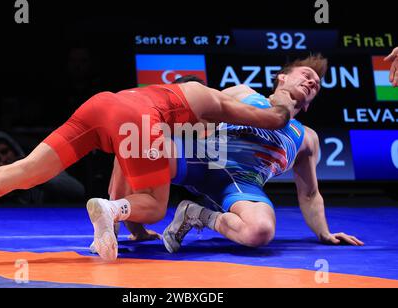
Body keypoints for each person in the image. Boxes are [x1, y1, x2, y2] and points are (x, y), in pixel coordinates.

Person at [0, 79, 296, 261]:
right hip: (137, 120)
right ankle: (111, 212)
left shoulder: (171, 94)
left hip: (101, 106)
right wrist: (285, 104)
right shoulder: (210, 100)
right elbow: (271, 118)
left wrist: (117, 226)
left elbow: (122, 170)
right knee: (156, 206)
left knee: (28, 169)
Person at [105, 54, 364, 255]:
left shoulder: (306, 137)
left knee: (260, 232)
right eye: (306, 75)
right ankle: (115, 226)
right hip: (203, 159)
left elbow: (309, 193)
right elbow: (194, 116)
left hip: (242, 186)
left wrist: (324, 233)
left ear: (308, 105)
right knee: (135, 142)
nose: (311, 82)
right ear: (281, 78)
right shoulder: (243, 93)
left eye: (316, 86)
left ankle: (195, 214)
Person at [0, 131, 85, 205]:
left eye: (5, 151)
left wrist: (32, 174)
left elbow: (78, 190)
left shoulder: (39, 165)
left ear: (13, 149)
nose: (3, 159)